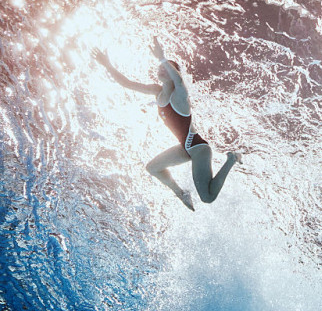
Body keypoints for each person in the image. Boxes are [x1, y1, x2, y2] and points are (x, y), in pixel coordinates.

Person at [92, 38, 241, 210]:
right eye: (160, 68)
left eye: (166, 68)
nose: (161, 70)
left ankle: (231, 159)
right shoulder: (157, 92)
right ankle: (181, 193)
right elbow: (127, 83)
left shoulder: (179, 96)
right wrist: (107, 65)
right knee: (153, 168)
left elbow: (179, 82)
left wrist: (163, 58)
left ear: (173, 73)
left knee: (207, 197)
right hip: (184, 148)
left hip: (198, 148)